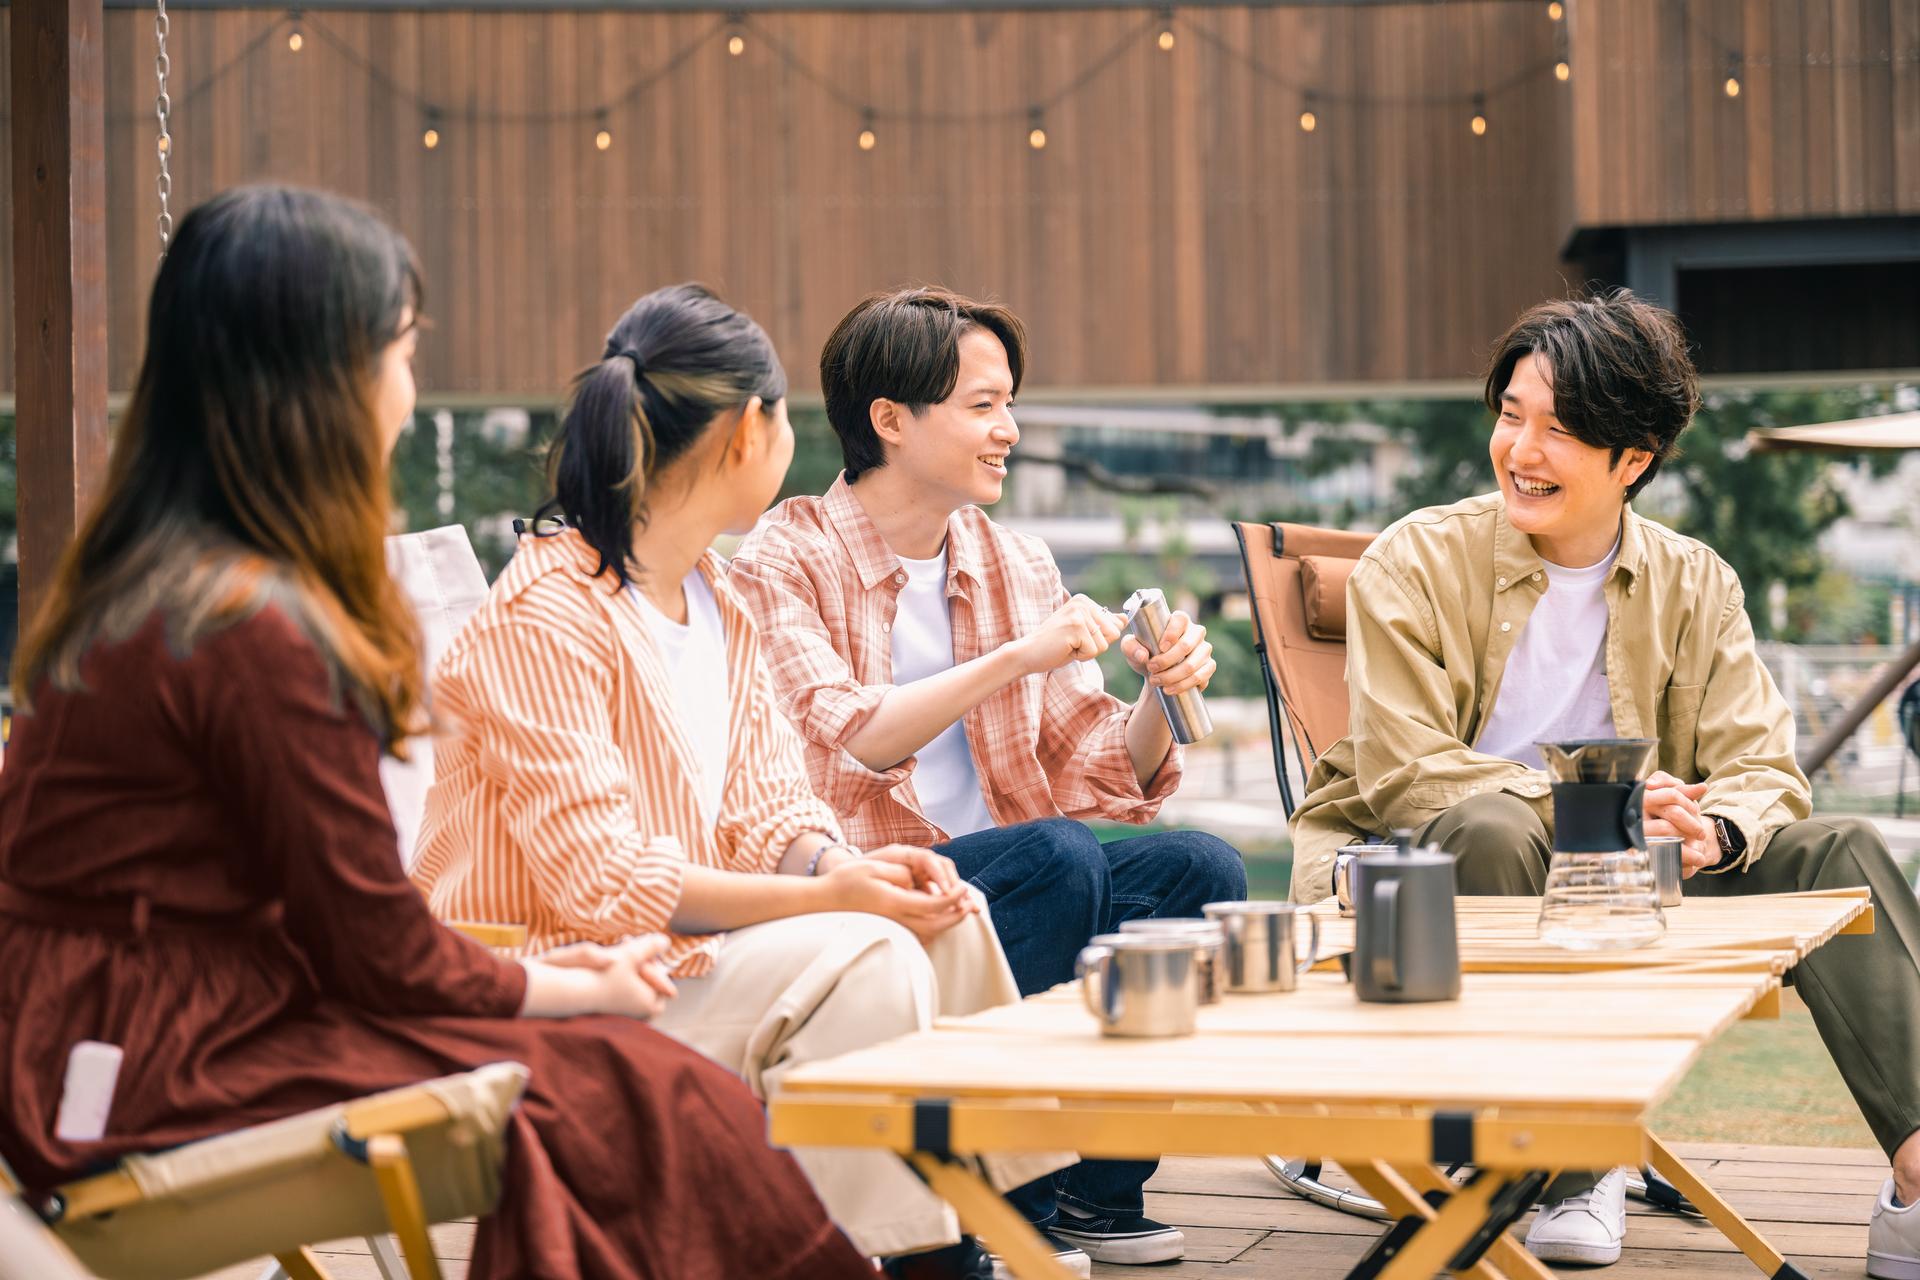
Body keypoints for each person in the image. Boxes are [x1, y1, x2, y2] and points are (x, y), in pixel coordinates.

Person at [0, 186, 874, 1280]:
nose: (408, 400)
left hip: (90, 1046)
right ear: (327, 377)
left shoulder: (152, 589)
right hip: (157, 1066)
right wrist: (580, 984)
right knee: (644, 1092)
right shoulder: (251, 628)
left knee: (632, 1090)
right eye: (403, 355)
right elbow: (380, 949)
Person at [411, 283, 1062, 1280]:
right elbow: (606, 884)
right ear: (744, 433)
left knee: (943, 905)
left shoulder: (718, 599)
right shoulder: (546, 612)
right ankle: (920, 1252)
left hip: (681, 964)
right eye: (781, 416)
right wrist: (831, 892)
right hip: (560, 984)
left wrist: (851, 865)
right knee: (862, 956)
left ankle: (987, 1215)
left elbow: (771, 811)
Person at [1287, 288, 1920, 1275]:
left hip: (1641, 879)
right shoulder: (1414, 559)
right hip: (1438, 870)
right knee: (1492, 824)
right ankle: (1565, 1154)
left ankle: (1918, 1179)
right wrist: (1605, 803)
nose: (1521, 450)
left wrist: (1716, 828)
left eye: (1560, 429)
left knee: (1841, 852)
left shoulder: (1696, 580)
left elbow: (1761, 766)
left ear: (1636, 459)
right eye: (1511, 415)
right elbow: (1408, 773)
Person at [728, 285, 1248, 1269]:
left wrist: (1153, 696)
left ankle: (1097, 1187)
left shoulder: (1015, 558)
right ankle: (1003, 1202)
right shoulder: (785, 554)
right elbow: (853, 738)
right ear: (890, 419)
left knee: (1201, 870)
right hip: (867, 894)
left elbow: (1096, 769)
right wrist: (1017, 655)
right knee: (1058, 857)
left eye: (1009, 403)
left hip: (1017, 875)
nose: (1008, 429)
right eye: (982, 405)